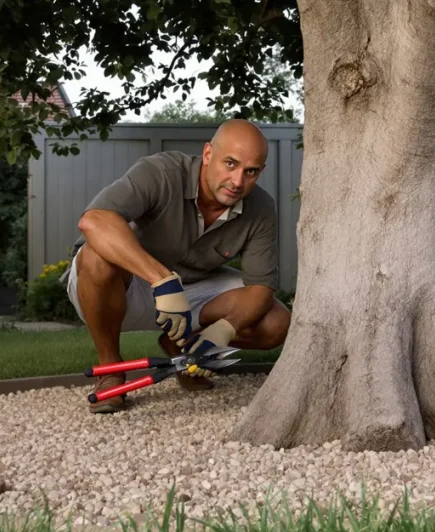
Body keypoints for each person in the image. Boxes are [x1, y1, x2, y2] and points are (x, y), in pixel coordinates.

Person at [63, 119, 291, 413]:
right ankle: (110, 369)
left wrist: (224, 330)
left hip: (194, 289)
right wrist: (162, 280)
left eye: (250, 171)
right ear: (208, 154)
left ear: (261, 171)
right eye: (230, 164)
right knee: (95, 257)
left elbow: (261, 287)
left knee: (276, 322)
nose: (237, 181)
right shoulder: (162, 172)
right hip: (130, 286)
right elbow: (94, 220)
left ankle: (186, 351)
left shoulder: (260, 207)